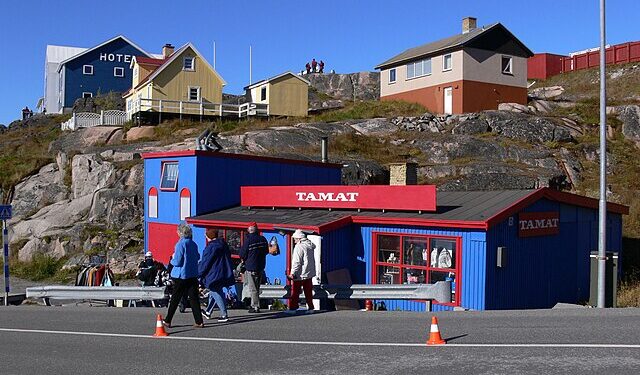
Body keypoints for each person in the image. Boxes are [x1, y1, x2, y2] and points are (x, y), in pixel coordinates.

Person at [163, 223, 204, 328]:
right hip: (193, 274)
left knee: (175, 298)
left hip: (182, 275)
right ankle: (199, 321)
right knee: (194, 298)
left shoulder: (180, 244)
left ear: (181, 233)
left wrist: (171, 260)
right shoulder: (193, 244)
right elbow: (197, 256)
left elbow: (177, 261)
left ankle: (168, 320)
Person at [239, 222, 278, 313]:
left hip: (251, 267)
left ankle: (255, 306)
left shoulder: (248, 241)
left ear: (249, 230)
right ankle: (255, 304)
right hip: (261, 266)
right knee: (257, 287)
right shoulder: (263, 239)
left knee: (253, 288)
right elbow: (266, 251)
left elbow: (242, 254)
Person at [198, 228, 235, 322]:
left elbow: (205, 262)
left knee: (215, 291)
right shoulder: (223, 244)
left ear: (209, 237)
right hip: (224, 272)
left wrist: (199, 272)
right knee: (214, 291)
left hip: (214, 273)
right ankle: (208, 312)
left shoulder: (210, 247)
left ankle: (224, 314)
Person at [286, 229, 316, 313]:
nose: (294, 241)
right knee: (308, 292)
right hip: (309, 273)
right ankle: (310, 308)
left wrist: (292, 273)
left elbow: (297, 262)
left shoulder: (299, 247)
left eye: (295, 239)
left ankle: (293, 308)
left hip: (300, 273)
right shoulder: (310, 245)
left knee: (295, 292)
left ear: (299, 238)